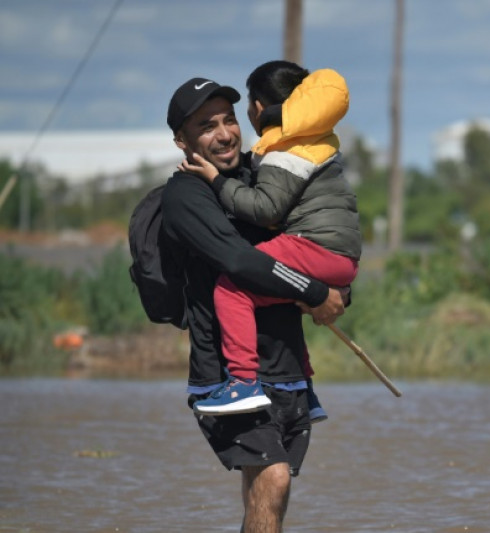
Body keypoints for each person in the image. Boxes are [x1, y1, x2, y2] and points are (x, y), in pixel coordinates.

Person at [162, 75, 346, 532]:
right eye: (206, 126)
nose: (224, 134)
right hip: (228, 376)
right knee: (274, 478)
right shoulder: (186, 195)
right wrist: (315, 293)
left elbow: (315, 240)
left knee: (264, 496)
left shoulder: (268, 172)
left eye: (228, 120)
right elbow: (238, 261)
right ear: (181, 141)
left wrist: (336, 290)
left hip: (288, 371)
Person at [182, 61, 361, 416]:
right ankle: (305, 391)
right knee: (277, 292)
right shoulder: (317, 140)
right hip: (340, 256)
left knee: (233, 286)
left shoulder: (283, 148)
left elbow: (266, 209)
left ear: (258, 108)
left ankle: (243, 382)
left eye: (246, 104)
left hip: (315, 246)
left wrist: (217, 181)